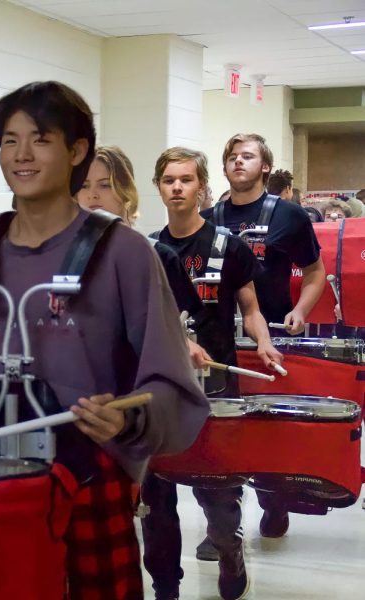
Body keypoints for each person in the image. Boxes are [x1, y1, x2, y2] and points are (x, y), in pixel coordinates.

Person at [0, 81, 209, 599]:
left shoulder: (125, 252)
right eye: (9, 140)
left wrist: (127, 416)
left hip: (89, 472)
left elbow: (168, 379)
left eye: (40, 139)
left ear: (76, 151)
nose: (21, 155)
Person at [142, 147, 283, 600]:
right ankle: (166, 584)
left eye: (186, 179)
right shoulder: (147, 250)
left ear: (202, 186)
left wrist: (262, 341)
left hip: (218, 383)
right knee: (158, 491)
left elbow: (252, 308)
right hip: (162, 386)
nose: (178, 187)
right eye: (169, 180)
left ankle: (229, 548)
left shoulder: (229, 247)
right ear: (159, 187)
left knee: (218, 492)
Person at [201, 133, 326, 539]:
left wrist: (300, 310)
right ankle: (224, 526)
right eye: (232, 156)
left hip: (273, 337)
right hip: (221, 344)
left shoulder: (291, 216)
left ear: (265, 167)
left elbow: (315, 273)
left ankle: (274, 500)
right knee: (222, 433)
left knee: (268, 430)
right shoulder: (209, 219)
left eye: (248, 156)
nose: (239, 162)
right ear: (224, 168)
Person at [75, 145, 206, 354]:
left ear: (125, 190)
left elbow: (190, 324)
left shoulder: (158, 256)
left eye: (105, 185)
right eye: (83, 185)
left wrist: (179, 341)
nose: (93, 195)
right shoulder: (63, 257)